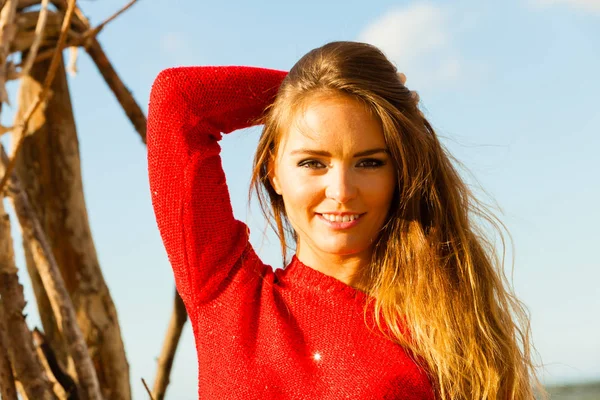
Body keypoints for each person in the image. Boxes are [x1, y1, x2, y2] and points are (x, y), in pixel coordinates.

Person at [147, 41, 543, 399]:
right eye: (312, 162)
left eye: (369, 162)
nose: (341, 190)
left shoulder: (441, 337)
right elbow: (179, 100)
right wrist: (318, 93)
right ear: (274, 172)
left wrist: (354, 96)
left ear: (399, 175)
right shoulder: (227, 293)